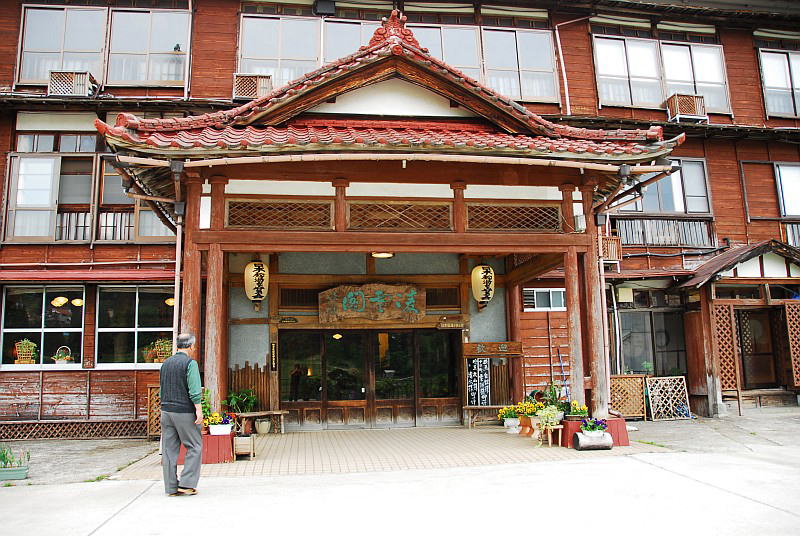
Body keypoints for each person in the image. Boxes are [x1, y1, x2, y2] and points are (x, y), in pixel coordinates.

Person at [159, 333, 203, 496]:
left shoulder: (165, 364)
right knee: (195, 446)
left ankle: (171, 487)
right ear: (191, 346)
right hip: (184, 411)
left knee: (169, 449)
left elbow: (162, 389)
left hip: (166, 410)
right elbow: (194, 390)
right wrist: (198, 409)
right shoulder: (190, 363)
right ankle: (187, 483)